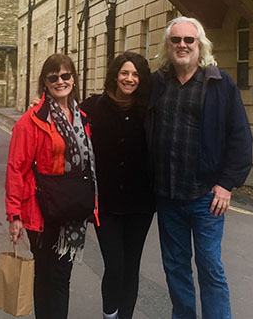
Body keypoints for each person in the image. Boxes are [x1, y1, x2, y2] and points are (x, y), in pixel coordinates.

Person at [147, 16, 253, 319]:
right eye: (175, 40)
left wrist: (226, 184)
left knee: (210, 267)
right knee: (175, 268)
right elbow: (120, 100)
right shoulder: (156, 84)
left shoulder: (220, 83)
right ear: (167, 46)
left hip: (206, 196)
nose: (182, 45)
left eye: (188, 40)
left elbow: (240, 136)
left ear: (199, 45)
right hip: (167, 196)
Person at [6, 53, 97, 319]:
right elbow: (16, 169)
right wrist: (14, 215)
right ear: (45, 83)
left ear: (73, 79)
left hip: (72, 213)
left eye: (65, 75)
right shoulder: (32, 121)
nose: (60, 81)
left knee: (61, 278)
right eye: (53, 77)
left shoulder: (82, 117)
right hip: (42, 212)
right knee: (46, 278)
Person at [81, 52, 154, 319]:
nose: (129, 79)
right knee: (115, 266)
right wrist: (39, 107)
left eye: (135, 74)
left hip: (141, 203)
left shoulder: (148, 110)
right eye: (125, 73)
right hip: (106, 204)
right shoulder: (93, 106)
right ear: (115, 75)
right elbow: (64, 117)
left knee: (131, 266)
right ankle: (109, 315)